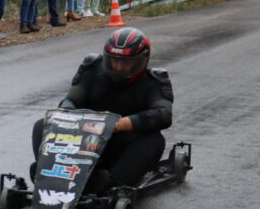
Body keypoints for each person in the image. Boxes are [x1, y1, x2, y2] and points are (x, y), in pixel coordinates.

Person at [31, 27, 172, 190]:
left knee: (154, 141)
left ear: (141, 59)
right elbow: (71, 100)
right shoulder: (92, 67)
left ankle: (110, 183)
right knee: (42, 125)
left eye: (125, 62)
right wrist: (70, 115)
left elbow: (164, 114)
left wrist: (120, 124)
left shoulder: (154, 80)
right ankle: (48, 171)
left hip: (120, 144)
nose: (118, 67)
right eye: (115, 60)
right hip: (83, 138)